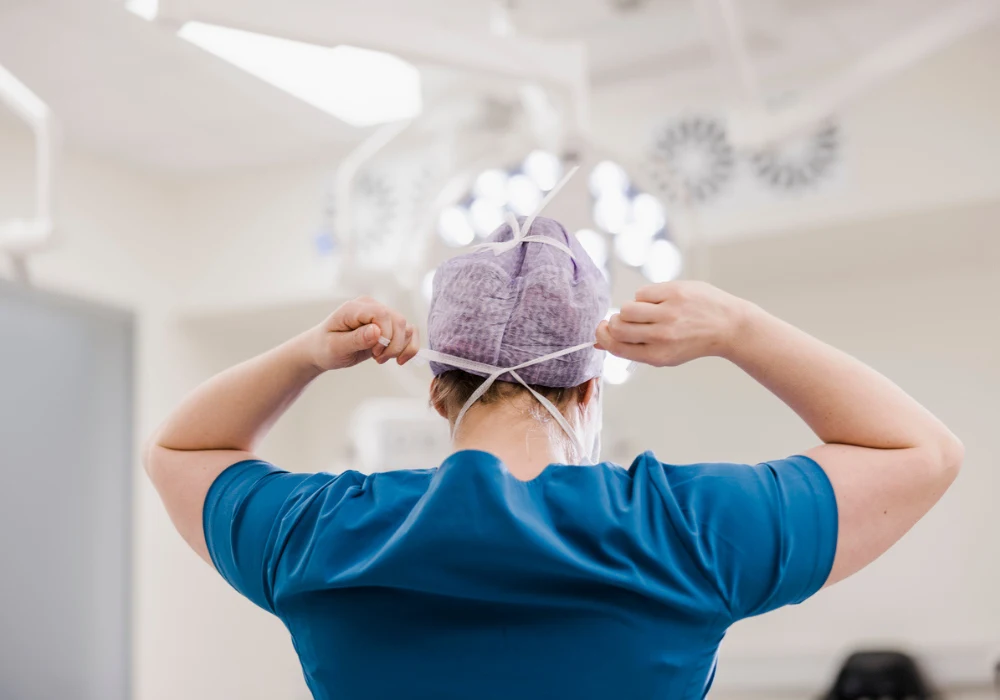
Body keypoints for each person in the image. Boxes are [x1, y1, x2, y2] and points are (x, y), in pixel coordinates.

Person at [145, 216, 963, 700]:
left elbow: (180, 449)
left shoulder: (320, 536)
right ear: (588, 394)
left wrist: (308, 353)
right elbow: (920, 450)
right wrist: (740, 328)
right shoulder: (686, 531)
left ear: (437, 394)